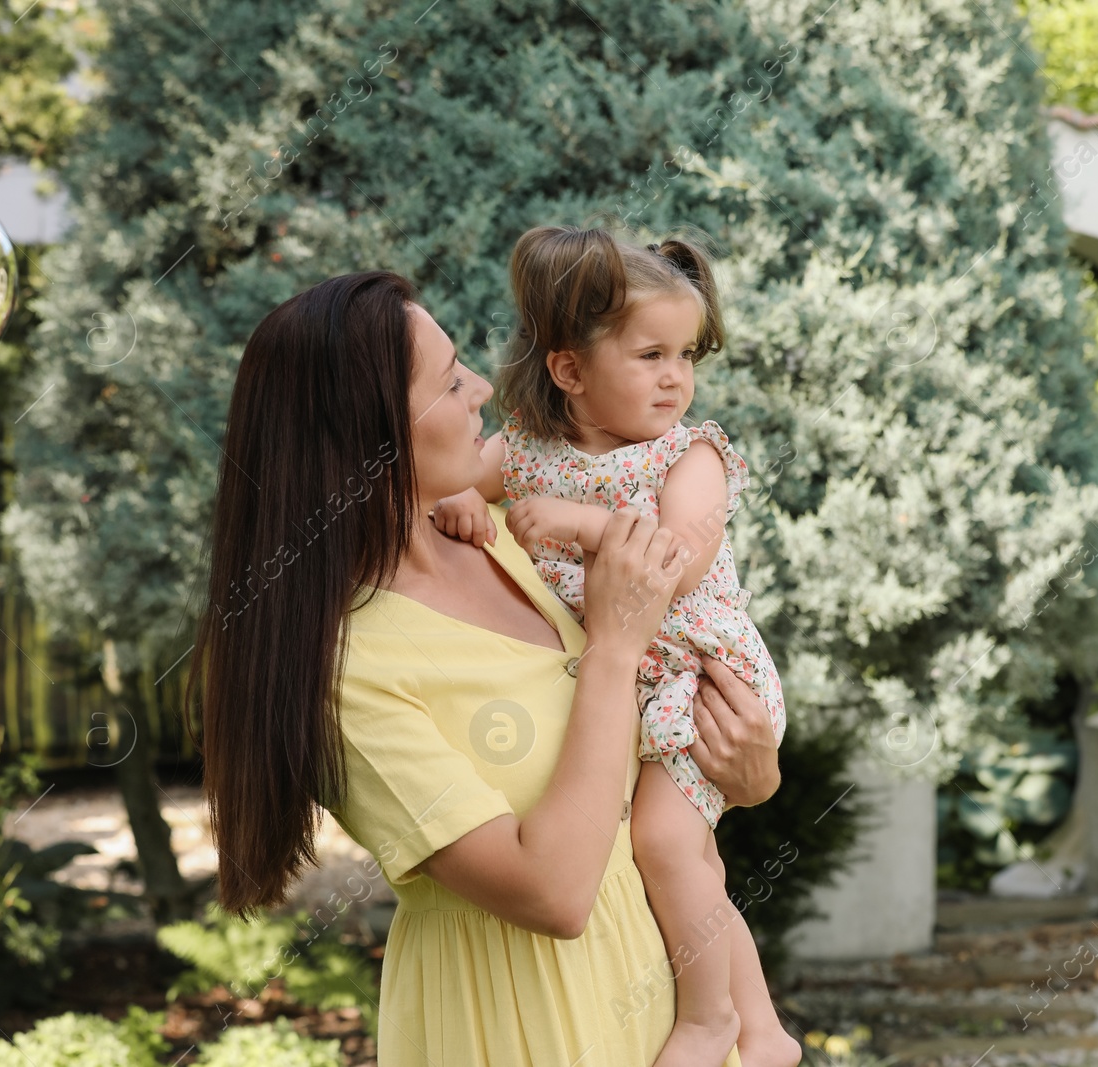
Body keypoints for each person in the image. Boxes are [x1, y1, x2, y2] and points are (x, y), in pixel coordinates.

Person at [191, 270, 783, 1066]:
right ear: (369, 432)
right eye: (448, 381)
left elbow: (642, 782)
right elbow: (554, 892)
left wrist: (750, 774)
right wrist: (613, 645)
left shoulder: (499, 536)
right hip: (518, 1025)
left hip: (666, 1007)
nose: (481, 389)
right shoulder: (346, 669)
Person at [434, 226, 798, 1067]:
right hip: (634, 686)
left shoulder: (689, 454)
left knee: (667, 844)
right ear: (569, 369)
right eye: (650, 355)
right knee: (691, 852)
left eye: (685, 355)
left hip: (703, 680)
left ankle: (711, 1022)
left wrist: (582, 525)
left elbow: (677, 558)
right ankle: (765, 1028)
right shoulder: (525, 446)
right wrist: (459, 505)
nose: (676, 376)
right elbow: (455, 482)